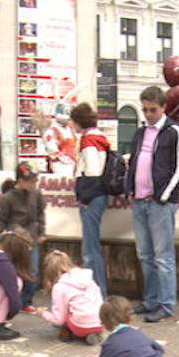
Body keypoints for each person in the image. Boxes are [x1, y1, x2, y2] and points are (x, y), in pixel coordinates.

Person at [126, 86, 179, 323]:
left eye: (153, 110)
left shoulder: (174, 131)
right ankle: (151, 300)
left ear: (164, 107)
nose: (148, 114)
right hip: (140, 201)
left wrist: (164, 196)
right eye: (145, 110)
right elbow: (133, 163)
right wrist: (129, 190)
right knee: (145, 255)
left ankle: (166, 304)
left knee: (163, 257)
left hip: (159, 203)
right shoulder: (140, 133)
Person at [70, 103, 109, 297]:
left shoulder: (88, 140)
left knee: (90, 249)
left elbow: (92, 170)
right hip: (98, 195)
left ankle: (97, 293)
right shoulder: (100, 138)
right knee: (91, 248)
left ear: (78, 121)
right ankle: (98, 291)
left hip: (91, 196)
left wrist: (85, 197)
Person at [0, 162, 47, 313]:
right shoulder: (7, 198)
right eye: (31, 181)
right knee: (12, 271)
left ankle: (26, 301)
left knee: (32, 271)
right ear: (21, 181)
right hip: (14, 239)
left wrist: (42, 232)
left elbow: (40, 213)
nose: (35, 183)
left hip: (32, 237)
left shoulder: (36, 194)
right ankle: (10, 300)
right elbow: (2, 220)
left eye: (36, 180)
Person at [35, 250, 104, 344]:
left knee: (65, 310)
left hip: (79, 326)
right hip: (101, 322)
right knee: (85, 304)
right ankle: (93, 333)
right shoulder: (86, 277)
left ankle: (67, 332)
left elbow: (59, 319)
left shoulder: (60, 287)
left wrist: (43, 313)